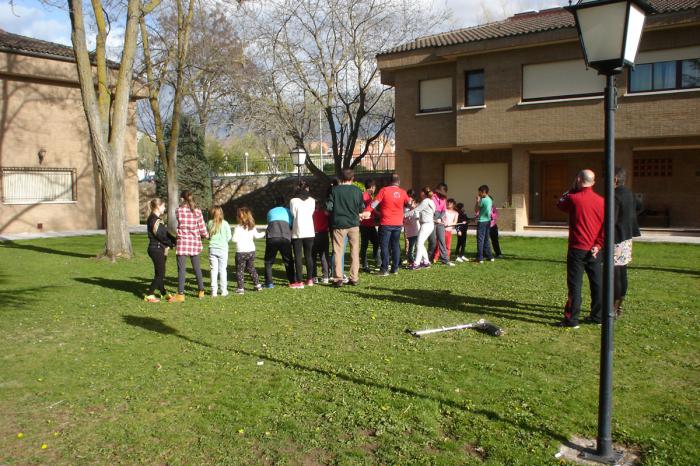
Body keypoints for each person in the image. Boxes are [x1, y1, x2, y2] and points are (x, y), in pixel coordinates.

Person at [556, 169, 604, 328]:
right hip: (595, 249)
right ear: (593, 182)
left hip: (577, 248)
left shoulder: (573, 198)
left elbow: (560, 204)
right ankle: (598, 316)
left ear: (578, 180)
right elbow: (605, 227)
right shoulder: (601, 201)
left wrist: (571, 188)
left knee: (575, 285)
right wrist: (598, 244)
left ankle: (572, 319)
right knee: (596, 283)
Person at [364, 172, 411, 275]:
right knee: (395, 245)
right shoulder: (403, 192)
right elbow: (409, 204)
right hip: (398, 223)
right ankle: (394, 269)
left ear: (389, 181)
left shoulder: (384, 190)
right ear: (398, 182)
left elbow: (374, 203)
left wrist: (367, 211)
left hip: (386, 222)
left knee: (384, 246)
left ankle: (384, 269)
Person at [327, 168, 364, 287]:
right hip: (354, 224)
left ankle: (338, 278)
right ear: (353, 178)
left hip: (339, 224)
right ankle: (354, 277)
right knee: (354, 251)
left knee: (338, 251)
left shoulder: (334, 190)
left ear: (341, 178)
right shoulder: (357, 191)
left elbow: (329, 207)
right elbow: (361, 208)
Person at [170, 191, 209, 302]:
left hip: (182, 242)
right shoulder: (197, 212)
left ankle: (181, 294)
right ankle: (201, 291)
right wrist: (206, 235)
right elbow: (202, 228)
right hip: (194, 242)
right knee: (197, 268)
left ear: (182, 199)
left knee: (181, 269)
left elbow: (178, 222)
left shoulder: (178, 211)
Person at [613, 166, 641, 318]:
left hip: (616, 238)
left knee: (616, 273)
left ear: (615, 179)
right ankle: (619, 305)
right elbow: (640, 207)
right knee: (622, 271)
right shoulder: (629, 193)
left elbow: (612, 218)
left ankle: (614, 307)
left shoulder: (615, 195)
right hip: (627, 237)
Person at [144, 198, 175, 303]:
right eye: (163, 206)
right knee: (160, 274)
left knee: (159, 273)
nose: (164, 208)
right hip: (155, 249)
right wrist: (171, 243)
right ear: (158, 206)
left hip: (159, 249)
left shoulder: (157, 219)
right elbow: (160, 236)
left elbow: (165, 234)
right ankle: (149, 294)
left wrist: (175, 240)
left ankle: (163, 293)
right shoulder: (153, 219)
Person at [264, 197, 296, 288]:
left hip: (272, 237)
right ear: (284, 203)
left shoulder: (270, 211)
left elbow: (269, 222)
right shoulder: (288, 211)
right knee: (288, 261)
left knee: (268, 262)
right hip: (285, 237)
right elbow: (290, 224)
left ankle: (269, 283)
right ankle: (292, 281)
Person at [232, 207, 265, 294]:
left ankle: (241, 288)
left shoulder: (237, 228)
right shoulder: (252, 227)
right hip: (251, 251)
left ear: (239, 217)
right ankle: (257, 285)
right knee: (251, 268)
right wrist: (265, 233)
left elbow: (234, 239)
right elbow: (257, 236)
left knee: (240, 270)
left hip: (241, 252)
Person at [290, 181, 316, 287]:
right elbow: (311, 212)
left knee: (298, 256)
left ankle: (299, 281)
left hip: (298, 231)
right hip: (309, 230)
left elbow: (293, 214)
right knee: (309, 256)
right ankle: (309, 279)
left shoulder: (293, 201)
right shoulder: (312, 200)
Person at [405, 186, 436, 269]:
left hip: (426, 225)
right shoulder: (431, 201)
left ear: (423, 193)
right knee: (421, 243)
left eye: (421, 192)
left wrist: (404, 215)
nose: (419, 193)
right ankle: (426, 261)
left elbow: (416, 210)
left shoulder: (426, 201)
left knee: (419, 243)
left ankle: (416, 263)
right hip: (428, 224)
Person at [207, 206, 232, 297]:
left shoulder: (209, 223)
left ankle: (213, 291)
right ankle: (223, 290)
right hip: (223, 249)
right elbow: (229, 237)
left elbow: (208, 235)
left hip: (212, 248)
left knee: (213, 270)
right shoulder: (225, 223)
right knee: (222, 270)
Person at [428, 182, 453, 266]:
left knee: (442, 241)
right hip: (432, 221)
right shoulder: (432, 197)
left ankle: (445, 260)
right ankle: (428, 258)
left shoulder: (443, 199)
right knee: (433, 241)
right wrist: (434, 219)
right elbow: (429, 209)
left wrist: (440, 218)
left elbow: (444, 210)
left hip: (440, 222)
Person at [360, 179, 381, 272]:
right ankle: (365, 265)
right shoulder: (364, 196)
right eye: (375, 187)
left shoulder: (369, 196)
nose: (375, 189)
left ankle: (378, 262)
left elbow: (372, 210)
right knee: (365, 245)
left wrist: (379, 214)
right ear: (372, 187)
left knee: (376, 242)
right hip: (365, 224)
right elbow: (364, 209)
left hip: (370, 224)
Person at [434, 198, 459, 262]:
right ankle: (435, 258)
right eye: (448, 202)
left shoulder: (456, 213)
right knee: (439, 244)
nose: (448, 204)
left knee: (448, 245)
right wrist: (444, 222)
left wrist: (450, 224)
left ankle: (446, 258)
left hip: (449, 231)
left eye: (450, 203)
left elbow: (455, 222)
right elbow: (441, 218)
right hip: (442, 229)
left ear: (453, 204)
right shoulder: (444, 210)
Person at [312, 199, 331, 284]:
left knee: (313, 257)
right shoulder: (325, 213)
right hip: (324, 235)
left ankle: (314, 276)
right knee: (324, 256)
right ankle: (326, 276)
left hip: (314, 235)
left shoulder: (312, 214)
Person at [474, 185, 494, 264]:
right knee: (486, 239)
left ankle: (480, 258)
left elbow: (476, 210)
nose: (478, 194)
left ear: (483, 192)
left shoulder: (483, 200)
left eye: (479, 192)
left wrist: (477, 201)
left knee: (480, 240)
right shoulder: (490, 199)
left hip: (482, 221)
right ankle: (490, 256)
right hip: (488, 221)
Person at [403, 193, 419, 266]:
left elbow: (417, 220)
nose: (410, 203)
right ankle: (411, 261)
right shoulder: (407, 211)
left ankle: (413, 261)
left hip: (416, 231)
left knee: (415, 246)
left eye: (411, 202)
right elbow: (405, 220)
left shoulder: (417, 211)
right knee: (411, 247)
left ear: (415, 204)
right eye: (409, 202)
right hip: (409, 232)